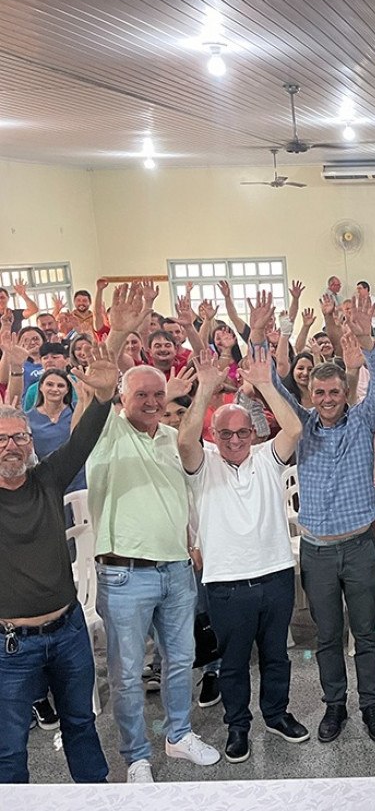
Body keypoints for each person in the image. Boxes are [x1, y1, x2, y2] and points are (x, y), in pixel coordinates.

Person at [87, 282, 222, 782]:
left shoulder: (171, 436)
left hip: (176, 570)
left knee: (181, 658)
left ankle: (179, 734)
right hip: (125, 574)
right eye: (139, 394)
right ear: (122, 397)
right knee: (126, 674)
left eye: (156, 394)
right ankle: (137, 756)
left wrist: (205, 387)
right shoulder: (105, 432)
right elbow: (99, 387)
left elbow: (192, 459)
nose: (149, 401)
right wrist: (117, 334)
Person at [269, 295, 375, 745]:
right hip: (317, 552)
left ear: (345, 393)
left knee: (367, 633)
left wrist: (365, 337)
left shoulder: (362, 422)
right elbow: (269, 382)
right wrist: (270, 333)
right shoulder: (299, 426)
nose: (326, 400)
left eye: (334, 392)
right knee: (326, 635)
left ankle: (372, 705)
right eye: (319, 393)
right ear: (311, 394)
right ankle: (334, 705)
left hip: (360, 545)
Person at [179, 338, 307, 764]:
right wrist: (205, 389)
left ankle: (277, 713)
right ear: (213, 436)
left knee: (276, 656)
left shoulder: (267, 458)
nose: (235, 440)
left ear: (253, 433)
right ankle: (238, 726)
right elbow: (184, 441)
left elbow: (294, 430)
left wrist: (266, 384)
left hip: (275, 573)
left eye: (242, 432)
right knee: (233, 663)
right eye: (225, 433)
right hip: (226, 582)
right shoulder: (204, 464)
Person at [0, 340, 117, 784]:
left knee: (81, 726)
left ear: (30, 443)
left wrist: (103, 397)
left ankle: (95, 797)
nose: (11, 446)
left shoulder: (47, 479)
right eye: (1, 439)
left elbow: (83, 440)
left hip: (67, 632)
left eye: (19, 437)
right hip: (10, 644)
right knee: (9, 747)